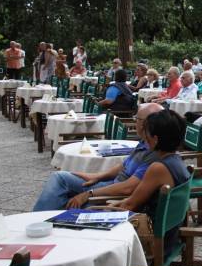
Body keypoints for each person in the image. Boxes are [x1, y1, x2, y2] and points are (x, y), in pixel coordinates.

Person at [33, 103, 164, 210]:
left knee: (60, 194)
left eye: (137, 119)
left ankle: (41, 221)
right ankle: (44, 219)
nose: (134, 122)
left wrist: (88, 194)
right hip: (110, 184)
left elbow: (127, 188)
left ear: (146, 123)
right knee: (60, 179)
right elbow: (124, 165)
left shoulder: (154, 152)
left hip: (113, 193)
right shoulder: (145, 142)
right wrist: (97, 176)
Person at [114, 109, 191, 258]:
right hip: (169, 236)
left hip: (150, 242)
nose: (144, 137)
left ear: (155, 139)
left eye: (147, 132)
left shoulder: (158, 168)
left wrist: (100, 210)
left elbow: (130, 205)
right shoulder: (177, 161)